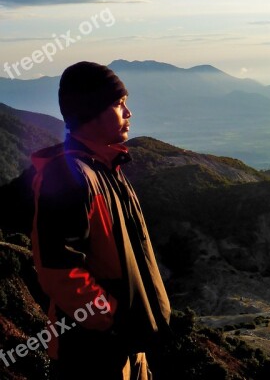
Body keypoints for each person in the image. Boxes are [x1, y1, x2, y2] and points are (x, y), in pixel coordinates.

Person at [29, 62, 171, 380]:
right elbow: (59, 271)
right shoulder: (68, 175)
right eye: (119, 104)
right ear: (92, 111)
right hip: (93, 355)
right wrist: (113, 318)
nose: (129, 113)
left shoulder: (105, 168)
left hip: (127, 348)